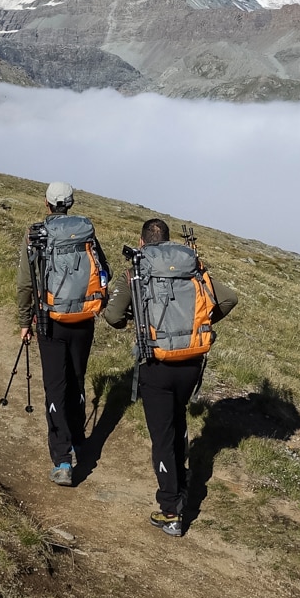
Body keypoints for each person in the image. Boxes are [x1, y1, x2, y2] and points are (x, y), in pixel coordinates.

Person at [103, 217, 238, 536]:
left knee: (162, 435)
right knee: (177, 422)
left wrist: (134, 322)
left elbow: (112, 316)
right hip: (192, 361)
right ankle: (181, 480)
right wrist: (202, 323)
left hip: (157, 364)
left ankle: (171, 511)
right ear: (166, 239)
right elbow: (229, 298)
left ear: (142, 242)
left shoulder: (135, 271)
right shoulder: (193, 266)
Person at [16, 181, 110, 487]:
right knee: (77, 378)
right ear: (69, 204)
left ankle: (61, 461)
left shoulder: (37, 234)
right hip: (84, 318)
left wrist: (23, 320)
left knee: (55, 386)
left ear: (47, 203)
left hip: (50, 320)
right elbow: (103, 272)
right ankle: (78, 441)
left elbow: (26, 283)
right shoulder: (86, 231)